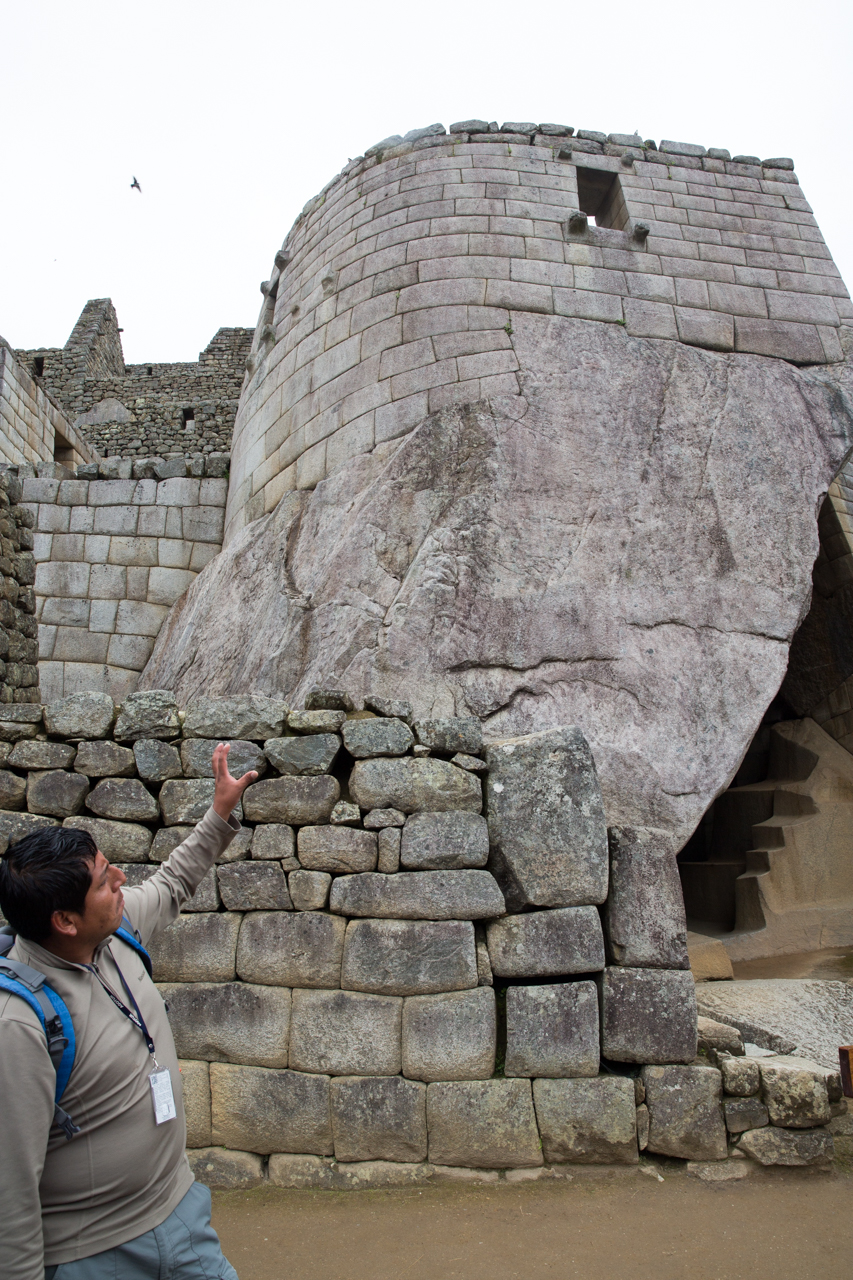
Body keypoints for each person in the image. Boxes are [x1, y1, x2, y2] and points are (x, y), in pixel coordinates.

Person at [0, 742, 257, 1280]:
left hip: (181, 1217)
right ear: (65, 921)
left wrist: (219, 813)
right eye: (103, 879)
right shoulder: (17, 1025)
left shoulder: (115, 933)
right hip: (93, 1255)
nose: (121, 879)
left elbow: (172, 882)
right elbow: (10, 1188)